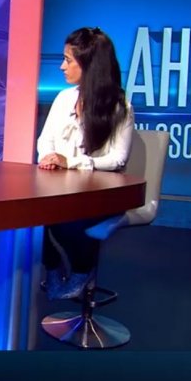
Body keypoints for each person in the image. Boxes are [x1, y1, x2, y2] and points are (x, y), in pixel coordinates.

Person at [37, 27, 135, 300]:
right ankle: (53, 268)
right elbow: (45, 140)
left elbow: (118, 158)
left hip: (100, 192)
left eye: (68, 60)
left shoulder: (120, 106)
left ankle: (82, 270)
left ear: (89, 64)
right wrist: (48, 156)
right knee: (29, 217)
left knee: (67, 220)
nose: (62, 66)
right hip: (61, 188)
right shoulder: (63, 99)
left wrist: (72, 162)